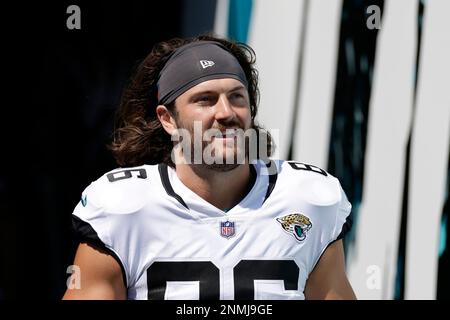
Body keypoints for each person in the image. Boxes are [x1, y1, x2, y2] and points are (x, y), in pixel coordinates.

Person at [63, 34, 356, 300]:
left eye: (236, 97)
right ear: (168, 119)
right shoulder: (123, 209)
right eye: (205, 100)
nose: (226, 113)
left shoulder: (307, 198)